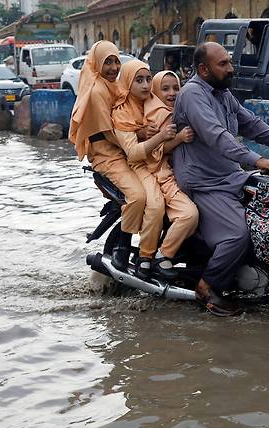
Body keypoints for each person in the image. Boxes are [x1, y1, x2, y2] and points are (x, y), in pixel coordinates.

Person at [171, 42, 269, 316]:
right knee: (239, 234)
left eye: (229, 62)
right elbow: (216, 135)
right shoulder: (192, 94)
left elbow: (252, 125)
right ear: (203, 69)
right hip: (204, 182)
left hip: (230, 174)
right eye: (222, 64)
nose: (231, 68)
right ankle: (206, 286)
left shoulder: (222, 93)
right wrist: (259, 161)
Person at [111, 62, 199, 278]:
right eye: (138, 80)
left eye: (148, 80)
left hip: (165, 170)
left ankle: (163, 253)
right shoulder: (127, 112)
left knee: (190, 213)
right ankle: (145, 256)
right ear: (127, 82)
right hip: (143, 166)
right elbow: (135, 153)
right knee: (154, 204)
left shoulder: (158, 108)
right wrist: (163, 136)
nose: (145, 86)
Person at [68, 41, 148, 272]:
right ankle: (123, 249)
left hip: (125, 149)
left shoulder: (113, 86)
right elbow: (110, 134)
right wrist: (139, 135)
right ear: (96, 64)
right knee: (138, 196)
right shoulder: (97, 91)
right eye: (108, 62)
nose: (114, 67)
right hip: (108, 154)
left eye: (116, 61)